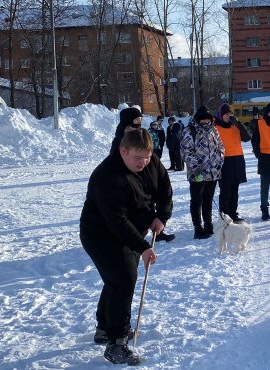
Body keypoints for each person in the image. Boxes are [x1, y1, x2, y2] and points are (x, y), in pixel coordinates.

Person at [80, 128, 172, 365]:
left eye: (147, 157)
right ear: (123, 150)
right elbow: (117, 221)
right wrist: (143, 247)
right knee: (123, 279)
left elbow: (164, 188)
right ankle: (117, 342)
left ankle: (104, 329)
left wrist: (161, 216)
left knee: (117, 280)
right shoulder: (107, 176)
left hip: (132, 231)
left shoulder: (150, 162)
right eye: (137, 158)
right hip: (101, 235)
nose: (143, 163)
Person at [181, 105, 225, 239]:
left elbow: (221, 147)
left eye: (207, 119)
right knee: (196, 200)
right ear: (198, 120)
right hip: (197, 173)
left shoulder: (214, 130)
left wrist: (219, 161)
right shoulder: (189, 131)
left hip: (213, 172)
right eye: (203, 120)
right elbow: (185, 151)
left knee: (208, 199)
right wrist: (195, 166)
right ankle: (197, 227)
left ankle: (208, 223)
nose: (205, 122)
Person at [214, 103, 251, 224]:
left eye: (231, 114)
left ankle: (233, 213)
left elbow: (247, 137)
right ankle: (224, 216)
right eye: (226, 114)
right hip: (223, 161)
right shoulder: (215, 127)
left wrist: (239, 124)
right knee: (225, 191)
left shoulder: (235, 126)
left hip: (237, 159)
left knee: (235, 190)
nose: (229, 116)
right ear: (221, 115)